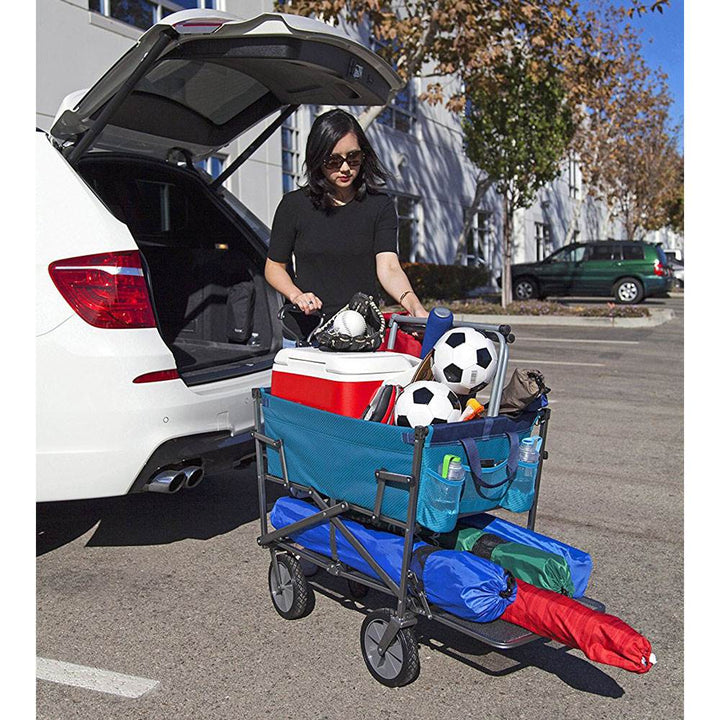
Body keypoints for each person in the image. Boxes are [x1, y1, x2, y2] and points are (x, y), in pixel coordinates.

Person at [265, 108, 428, 336]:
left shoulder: (379, 206)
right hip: (305, 334)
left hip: (362, 333)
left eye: (353, 158)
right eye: (333, 160)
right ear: (317, 158)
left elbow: (389, 267)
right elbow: (274, 267)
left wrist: (414, 306)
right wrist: (296, 295)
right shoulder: (293, 205)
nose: (345, 168)